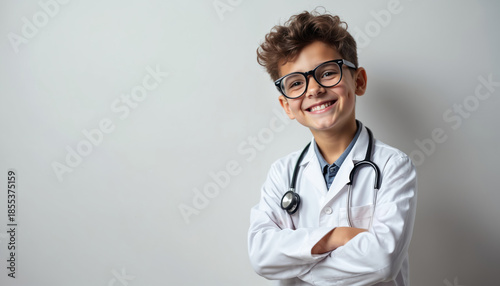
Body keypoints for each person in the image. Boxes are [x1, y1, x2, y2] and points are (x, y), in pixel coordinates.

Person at [247, 9, 417, 286]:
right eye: (296, 83)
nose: (313, 90)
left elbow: (382, 262)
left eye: (327, 73)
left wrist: (296, 263)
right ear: (286, 105)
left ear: (358, 81)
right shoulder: (283, 173)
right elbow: (261, 255)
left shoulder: (393, 166)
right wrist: (337, 236)